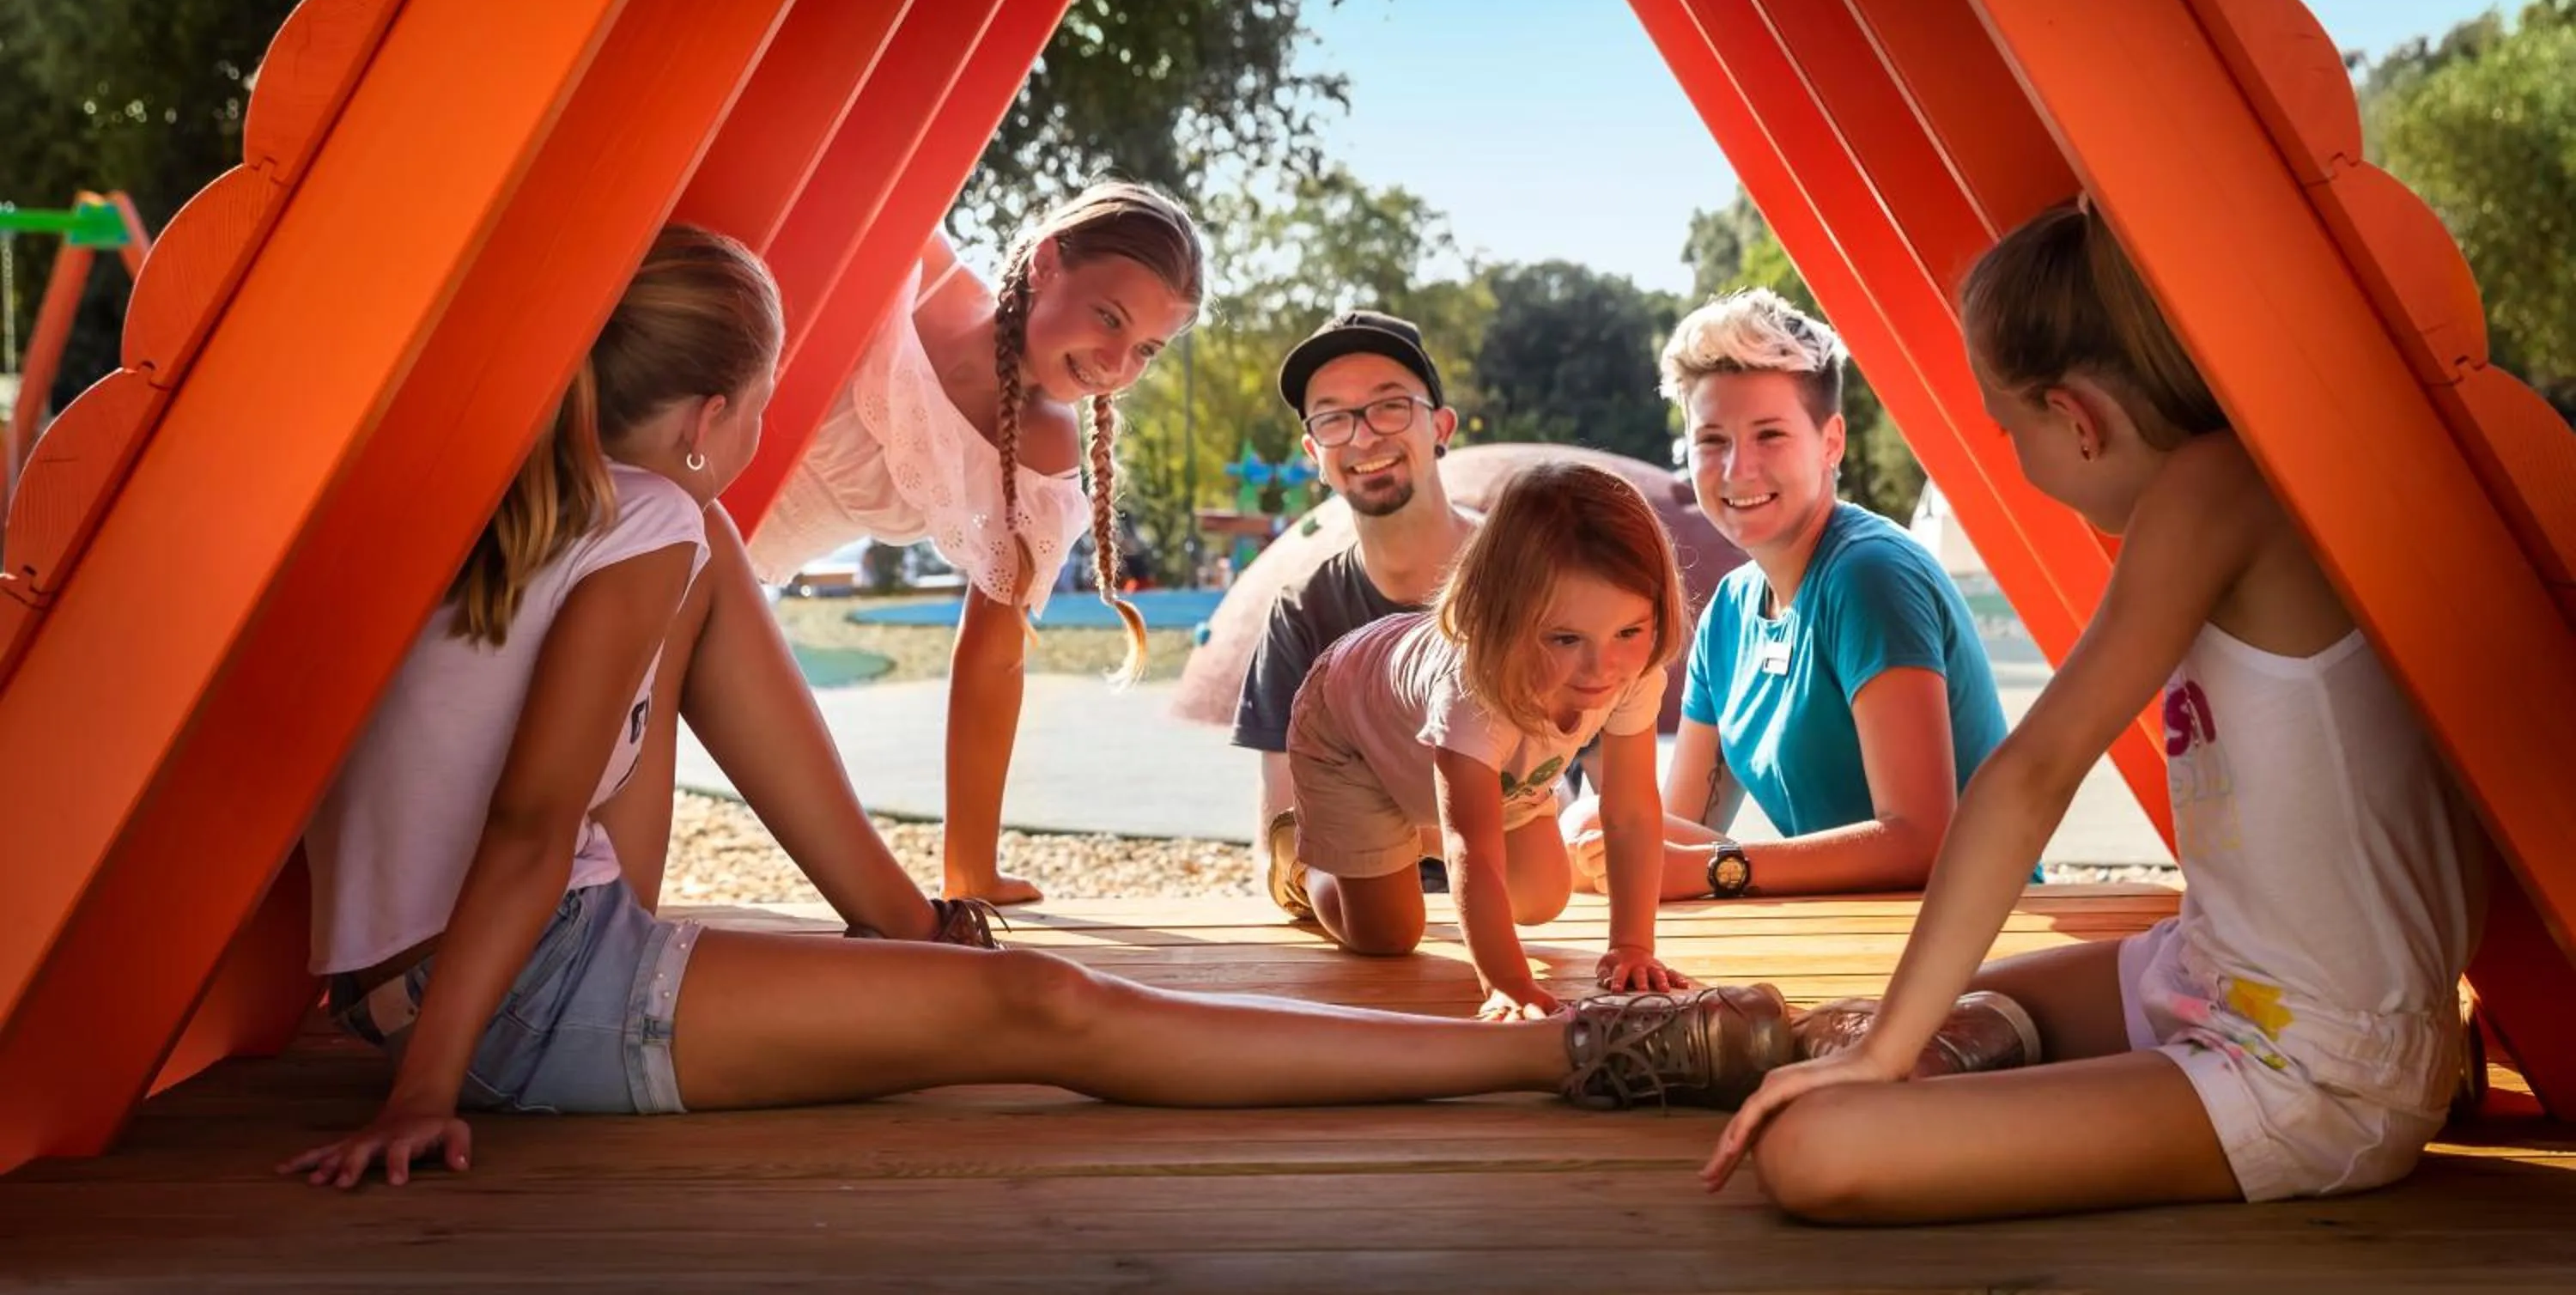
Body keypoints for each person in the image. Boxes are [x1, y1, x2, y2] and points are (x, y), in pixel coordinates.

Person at [280, 225, 1943, 1189]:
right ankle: (1551, 1059)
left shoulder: (537, 502)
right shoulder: (651, 521)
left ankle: (896, 918)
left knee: (992, 976)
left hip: (442, 972)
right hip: (506, 999)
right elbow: (522, 827)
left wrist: (904, 920)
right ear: (713, 409)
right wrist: (426, 1088)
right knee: (1054, 1016)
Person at [1700, 200, 2485, 1223]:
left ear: (2075, 417)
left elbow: (2031, 777)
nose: (2015, 458)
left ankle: (1938, 1086)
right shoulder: (2250, 484)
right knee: (1961, 1007)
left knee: (1816, 1149)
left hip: (2313, 1065)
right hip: (2222, 971)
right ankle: (1958, 1076)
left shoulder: (2213, 492)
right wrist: (1896, 1033)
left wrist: (1891, 1051)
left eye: (2006, 425)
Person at [744, 182, 1203, 906]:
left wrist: (970, 870)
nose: (1117, 364)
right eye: (1109, 319)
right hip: (643, 485)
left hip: (713, 574)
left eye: (1145, 349)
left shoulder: (1041, 447)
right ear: (1048, 264)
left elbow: (993, 656)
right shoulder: (915, 271)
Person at [1563, 290, 2010, 903]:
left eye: (1769, 435)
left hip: (1966, 928)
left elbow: (1924, 844)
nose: (1737, 469)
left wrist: (1715, 870)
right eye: (1713, 440)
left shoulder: (1869, 575)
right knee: (1589, 831)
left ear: (1831, 442)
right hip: (1846, 923)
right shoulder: (1729, 611)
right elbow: (1672, 831)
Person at [1279, 462, 1698, 1021]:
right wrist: (1507, 982)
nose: (1603, 667)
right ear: (1506, 618)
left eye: (1629, 630)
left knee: (1544, 896)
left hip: (1447, 763)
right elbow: (1471, 850)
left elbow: (1632, 813)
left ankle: (1416, 832)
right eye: (1565, 638)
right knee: (1388, 934)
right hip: (1352, 738)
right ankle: (1306, 862)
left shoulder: (1634, 671)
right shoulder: (1475, 692)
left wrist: (1632, 945)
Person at [1232, 310, 1480, 915]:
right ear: (1315, 452)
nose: (1364, 436)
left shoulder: (1534, 577)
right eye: (1335, 418)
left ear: (1440, 426)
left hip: (1535, 913)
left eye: (1390, 405)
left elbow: (1607, 813)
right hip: (1361, 917)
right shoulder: (1303, 612)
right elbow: (1285, 847)